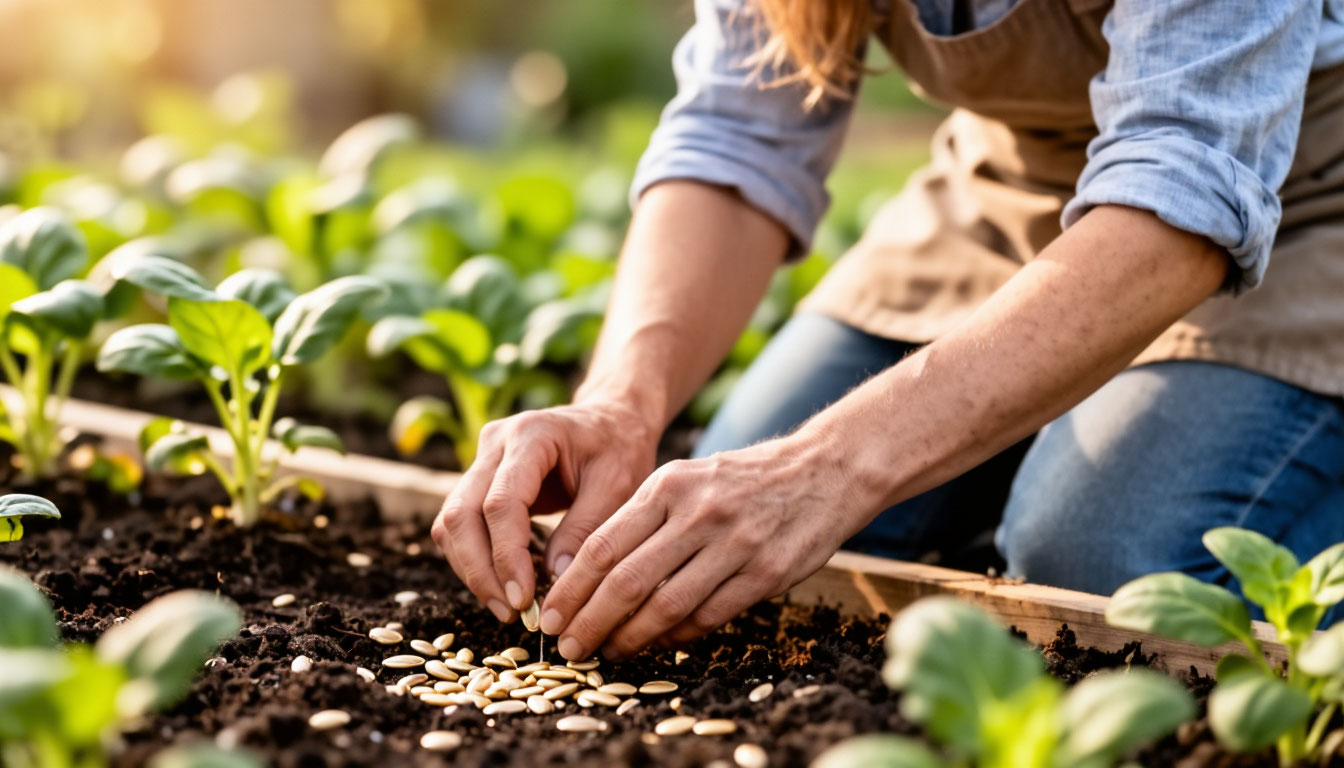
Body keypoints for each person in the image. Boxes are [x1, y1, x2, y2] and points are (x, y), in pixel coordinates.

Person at [431, 0, 1344, 663]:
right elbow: (737, 132)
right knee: (721, 561)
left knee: (1108, 569)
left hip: (1302, 194)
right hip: (1018, 188)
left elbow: (1183, 188)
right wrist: (621, 406)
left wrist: (825, 467)